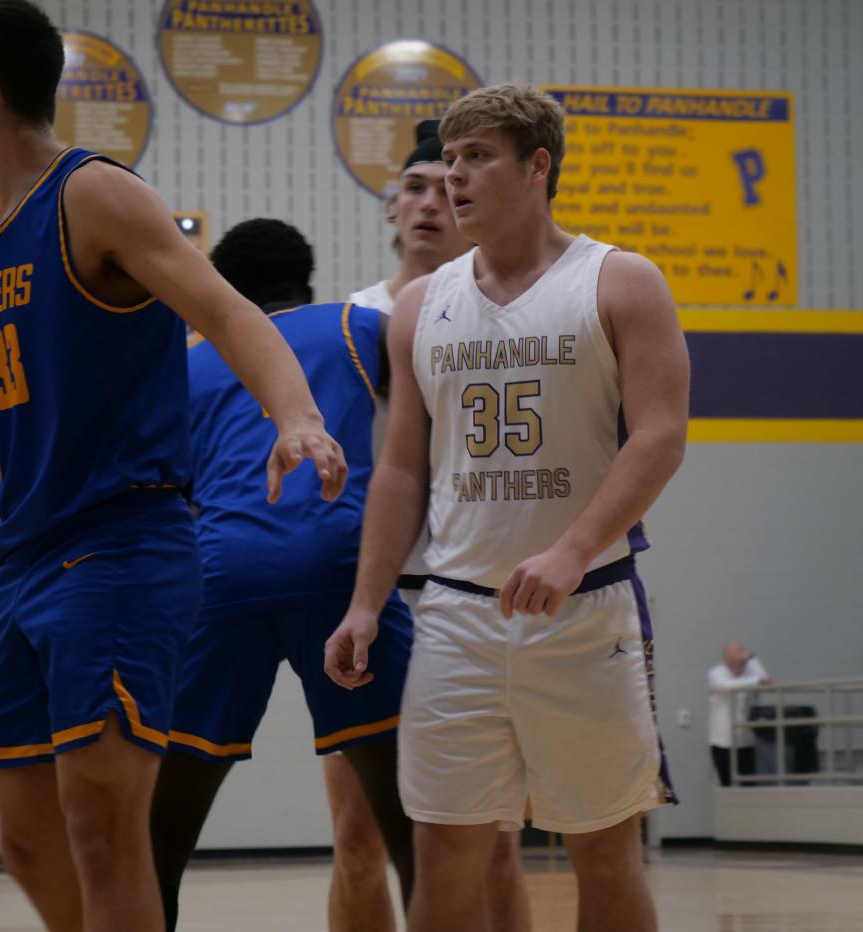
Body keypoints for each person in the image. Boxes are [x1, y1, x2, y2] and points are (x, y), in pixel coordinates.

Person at [0, 4, 344, 932]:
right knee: (28, 841)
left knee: (103, 831)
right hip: (24, 562)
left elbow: (227, 313)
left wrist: (296, 415)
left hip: (119, 547)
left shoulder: (93, 194)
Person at [325, 84, 690, 932]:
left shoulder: (622, 280)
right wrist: (367, 601)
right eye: (448, 160)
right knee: (447, 845)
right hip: (456, 613)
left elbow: (660, 438)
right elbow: (403, 471)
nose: (454, 178)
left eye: (476, 157)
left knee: (601, 844)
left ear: (537, 167)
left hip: (586, 606)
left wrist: (573, 548)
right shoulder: (419, 307)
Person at [150, 218, 415, 932]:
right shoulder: (360, 325)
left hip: (219, 574)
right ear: (308, 277)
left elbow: (165, 487)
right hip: (342, 566)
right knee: (411, 829)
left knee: (159, 840)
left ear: (225, 288)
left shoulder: (185, 360)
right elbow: (429, 427)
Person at [346, 118, 531, 932]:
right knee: (355, 836)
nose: (428, 200)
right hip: (379, 592)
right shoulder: (347, 320)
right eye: (412, 186)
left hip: (477, 589)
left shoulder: (523, 301)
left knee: (492, 842)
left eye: (443, 183)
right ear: (392, 207)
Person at [708, 642, 774, 787]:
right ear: (727, 656)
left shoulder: (748, 674)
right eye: (739, 650)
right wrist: (756, 680)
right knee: (726, 782)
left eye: (743, 650)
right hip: (722, 741)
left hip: (746, 740)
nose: (743, 652)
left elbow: (765, 680)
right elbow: (726, 686)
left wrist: (752, 658)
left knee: (749, 783)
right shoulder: (717, 673)